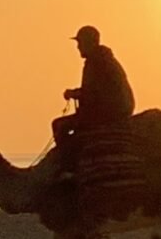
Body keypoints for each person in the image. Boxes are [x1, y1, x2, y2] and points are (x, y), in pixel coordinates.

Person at [52, 25, 135, 159]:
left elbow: (92, 93)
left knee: (59, 126)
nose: (78, 47)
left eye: (80, 43)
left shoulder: (96, 62)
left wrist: (73, 94)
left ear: (88, 42)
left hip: (109, 111)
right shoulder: (104, 59)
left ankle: (68, 166)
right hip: (117, 108)